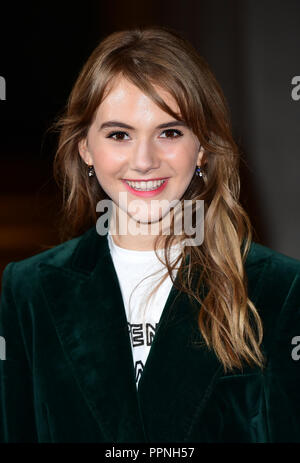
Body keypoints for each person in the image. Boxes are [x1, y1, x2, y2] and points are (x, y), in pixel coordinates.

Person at [1, 25, 300, 444]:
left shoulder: (279, 290)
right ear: (86, 147)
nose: (144, 161)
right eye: (119, 135)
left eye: (170, 132)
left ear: (202, 149)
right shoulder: (28, 290)